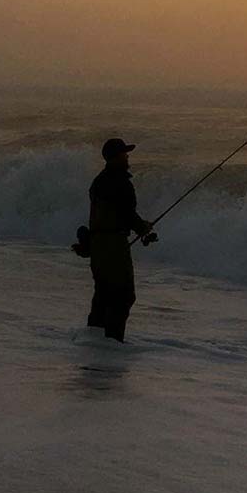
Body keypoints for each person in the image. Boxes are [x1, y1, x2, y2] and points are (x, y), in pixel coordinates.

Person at [86, 138, 155, 342]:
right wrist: (143, 227)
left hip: (97, 245)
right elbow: (126, 214)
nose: (127, 157)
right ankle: (113, 342)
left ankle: (94, 337)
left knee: (102, 293)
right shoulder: (121, 182)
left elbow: (110, 213)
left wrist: (139, 227)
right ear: (115, 157)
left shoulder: (98, 182)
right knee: (123, 295)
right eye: (124, 154)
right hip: (114, 245)